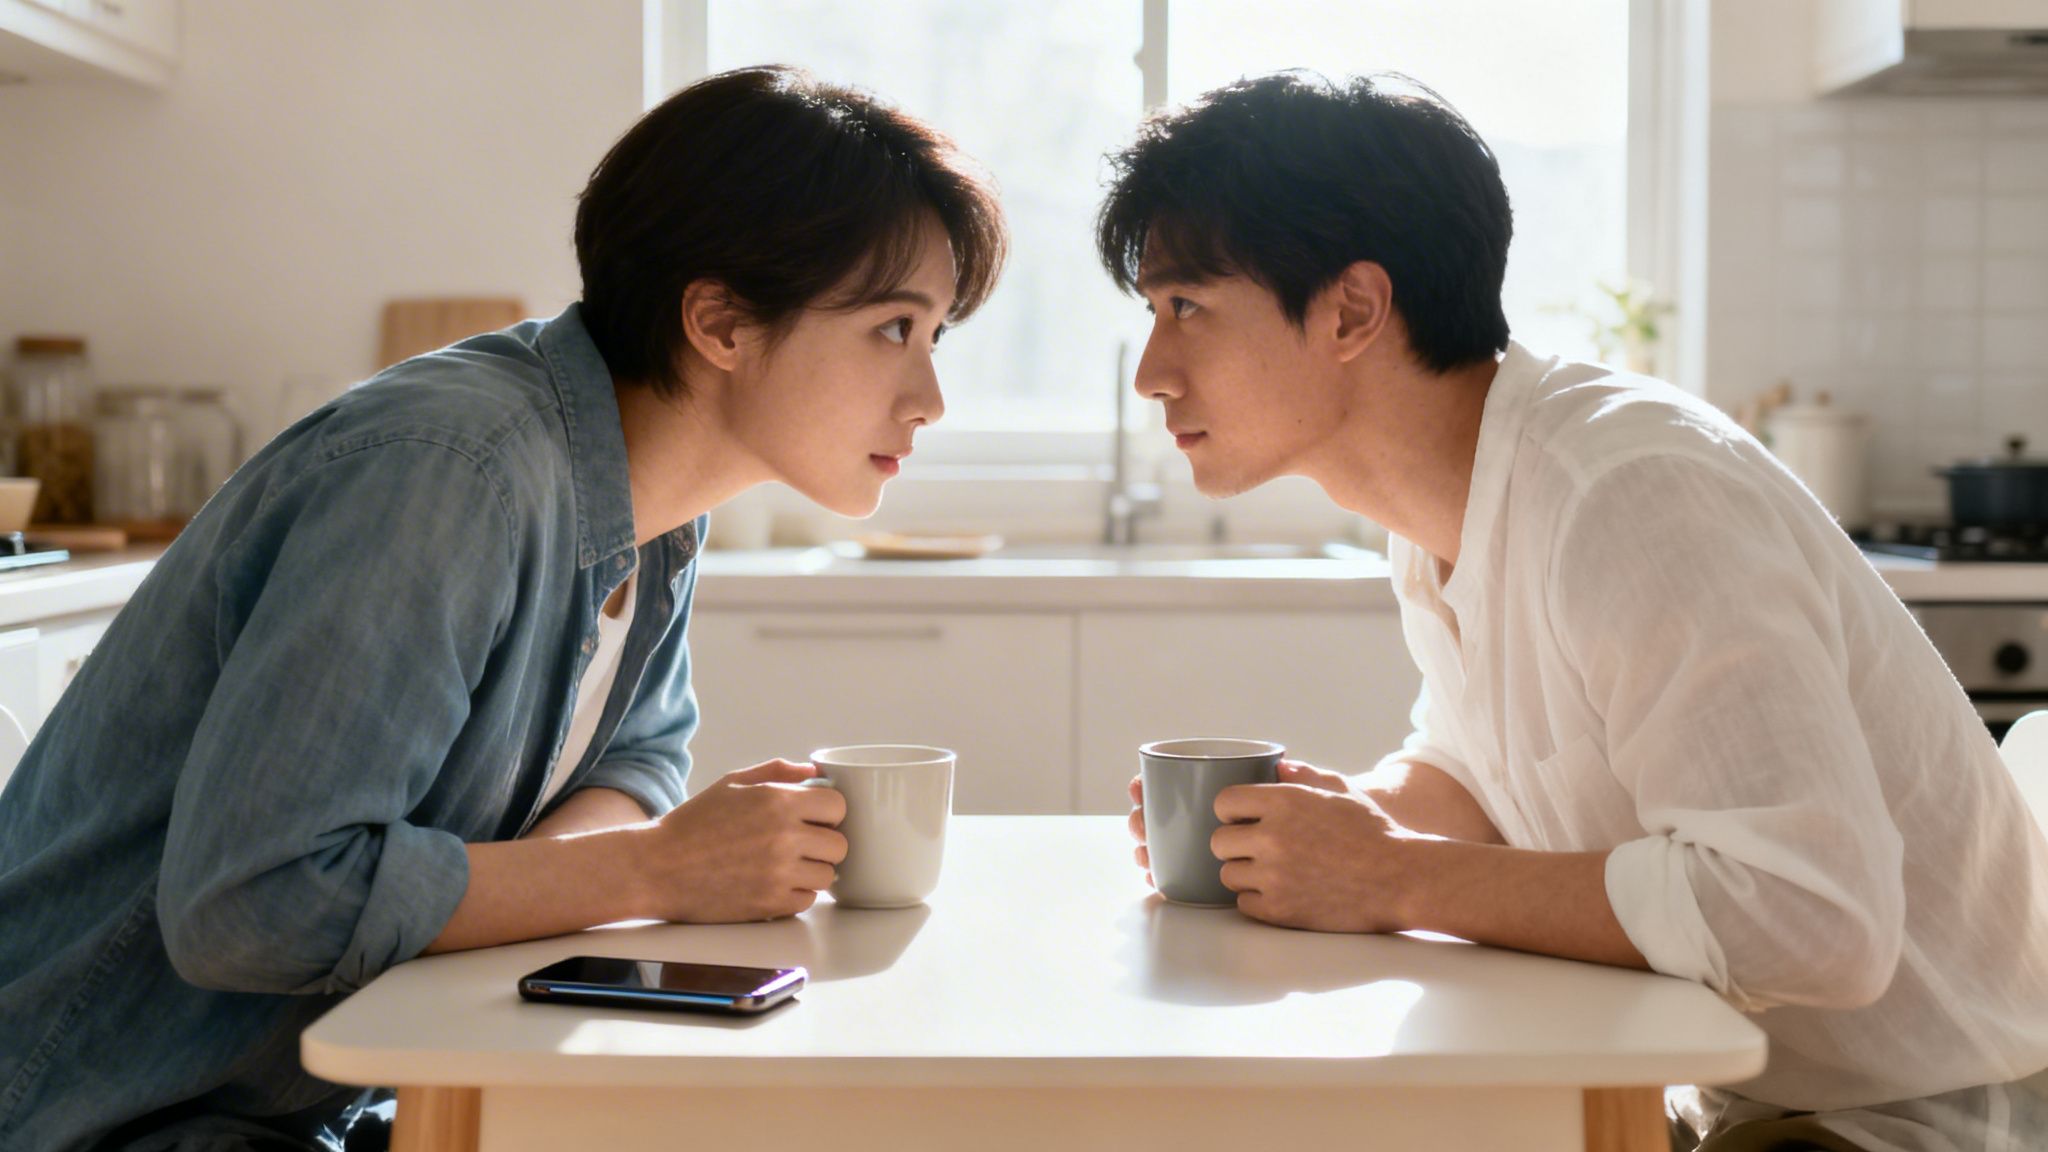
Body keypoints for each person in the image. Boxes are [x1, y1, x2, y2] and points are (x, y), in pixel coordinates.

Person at [0, 65, 1004, 1151]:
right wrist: (653, 870)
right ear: (719, 322)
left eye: (936, 337)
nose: (930, 399)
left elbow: (638, 756)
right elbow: (252, 905)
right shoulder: (450, 474)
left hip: (310, 1099)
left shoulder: (657, 495)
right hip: (89, 1113)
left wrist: (607, 873)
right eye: (894, 330)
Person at [1104, 72, 2048, 1152]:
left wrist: (1386, 873)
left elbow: (1811, 922)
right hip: (1736, 1092)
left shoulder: (1630, 493)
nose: (1150, 372)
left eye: (1185, 308)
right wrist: (1339, 824)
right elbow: (1479, 765)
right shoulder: (1441, 502)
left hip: (1916, 1118)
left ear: (1352, 311)